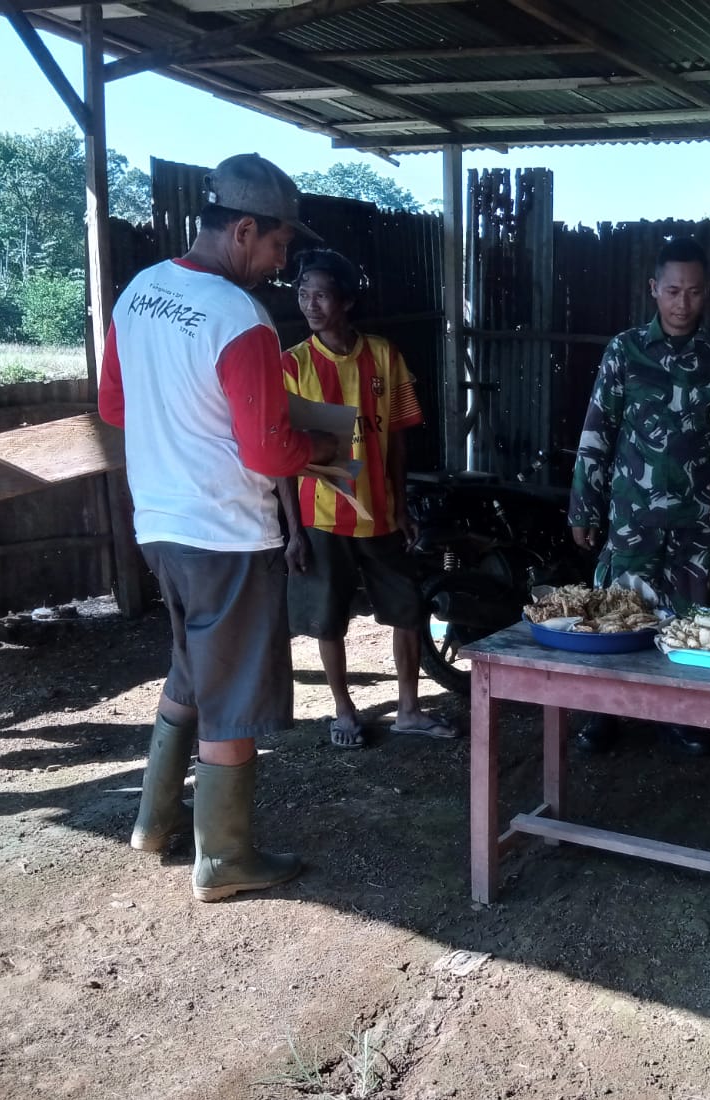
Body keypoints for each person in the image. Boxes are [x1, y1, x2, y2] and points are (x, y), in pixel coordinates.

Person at [99, 154, 341, 902]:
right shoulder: (239, 317)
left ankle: (153, 822)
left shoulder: (139, 294)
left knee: (191, 671)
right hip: (227, 532)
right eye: (278, 246)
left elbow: (115, 407)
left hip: (160, 525)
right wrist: (322, 446)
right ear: (243, 230)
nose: (281, 264)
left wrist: (187, 426)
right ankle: (225, 859)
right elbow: (267, 451)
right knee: (232, 696)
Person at [568, 235, 710, 755]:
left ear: (708, 291)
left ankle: (681, 714)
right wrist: (583, 506)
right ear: (654, 288)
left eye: (694, 292)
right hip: (632, 513)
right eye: (673, 291)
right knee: (617, 610)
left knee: (691, 618)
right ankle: (604, 711)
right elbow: (597, 430)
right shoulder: (625, 350)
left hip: (697, 516)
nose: (682, 303)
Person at [280, 248, 454, 748]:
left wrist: (400, 503)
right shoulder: (291, 364)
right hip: (321, 515)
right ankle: (343, 711)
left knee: (407, 610)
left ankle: (409, 709)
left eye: (321, 295)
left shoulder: (384, 355)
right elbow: (282, 456)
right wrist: (293, 531)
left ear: (348, 302)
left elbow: (397, 437)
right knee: (327, 619)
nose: (310, 305)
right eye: (303, 294)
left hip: (379, 511)